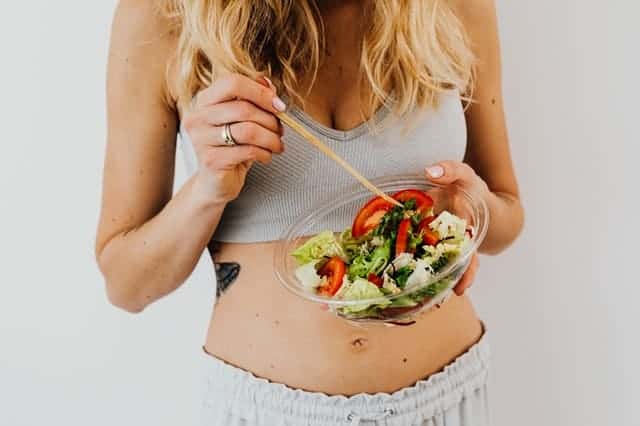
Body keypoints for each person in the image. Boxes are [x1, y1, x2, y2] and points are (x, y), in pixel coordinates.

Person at [96, 0, 524, 424]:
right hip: (267, 412)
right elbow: (127, 285)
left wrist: (471, 209)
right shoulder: (163, 15)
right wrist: (207, 190)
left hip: (446, 399)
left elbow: (506, 218)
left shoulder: (454, 6)